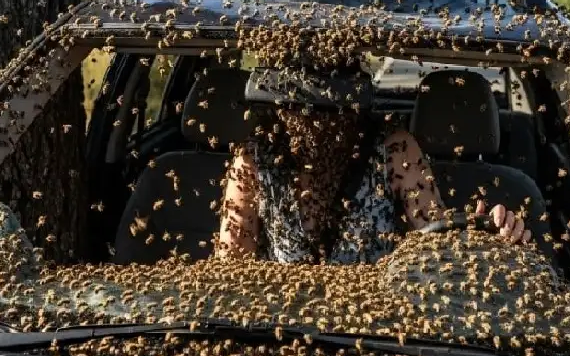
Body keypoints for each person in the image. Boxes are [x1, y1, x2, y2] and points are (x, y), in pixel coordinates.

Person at [216, 76, 531, 265]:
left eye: (328, 103)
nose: (317, 116)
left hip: (377, 336)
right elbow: (232, 272)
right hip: (281, 331)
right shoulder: (254, 161)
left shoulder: (393, 149)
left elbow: (439, 239)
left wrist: (489, 236)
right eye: (303, 103)